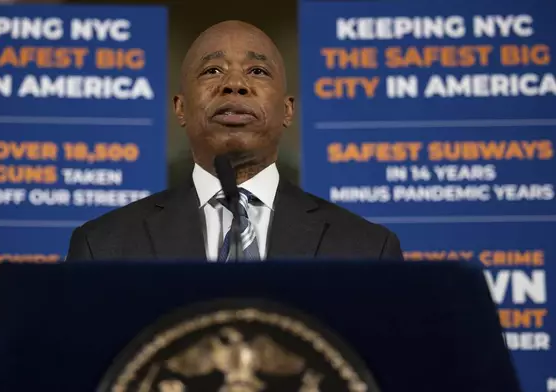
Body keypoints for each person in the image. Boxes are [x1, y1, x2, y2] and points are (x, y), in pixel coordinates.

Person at [65, 20, 403, 262]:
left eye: (257, 71)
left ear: (288, 110)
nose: (235, 85)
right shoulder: (103, 247)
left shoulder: (368, 249)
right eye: (212, 71)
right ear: (180, 108)